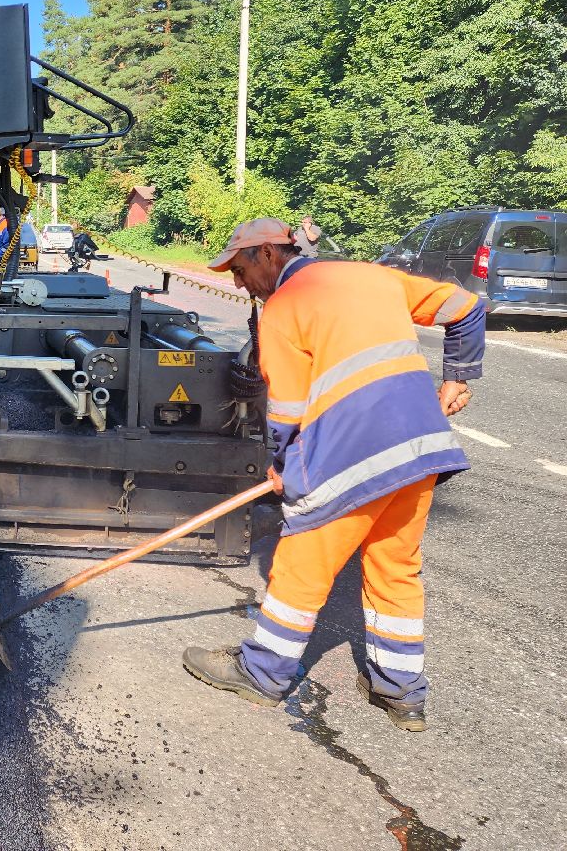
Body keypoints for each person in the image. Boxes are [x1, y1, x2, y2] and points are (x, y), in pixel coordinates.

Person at [182, 217, 484, 731]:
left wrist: (283, 466)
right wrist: (459, 375)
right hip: (418, 452)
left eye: (239, 269)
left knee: (301, 563)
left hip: (350, 457)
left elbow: (286, 411)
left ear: (268, 254)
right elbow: (467, 308)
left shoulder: (285, 308)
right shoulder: (371, 276)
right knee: (395, 565)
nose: (238, 283)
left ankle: (263, 672)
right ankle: (401, 690)